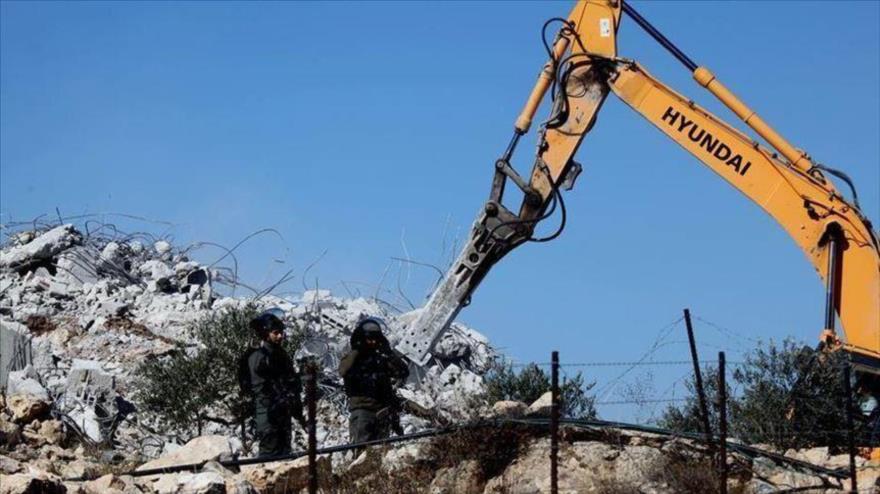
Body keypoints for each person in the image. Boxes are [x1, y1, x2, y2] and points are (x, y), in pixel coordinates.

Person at [244, 309, 307, 457]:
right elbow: (261, 387)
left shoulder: (282, 355)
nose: (280, 336)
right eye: (276, 333)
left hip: (283, 414)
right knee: (269, 457)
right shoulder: (258, 356)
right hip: (268, 414)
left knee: (284, 455)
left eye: (281, 332)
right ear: (266, 333)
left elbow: (291, 384)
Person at [339, 317, 410, 445]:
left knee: (381, 452)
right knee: (361, 454)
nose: (372, 343)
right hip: (363, 412)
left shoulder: (380, 360)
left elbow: (403, 372)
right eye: (368, 340)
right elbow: (343, 371)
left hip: (382, 412)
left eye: (375, 340)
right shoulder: (353, 360)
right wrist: (357, 349)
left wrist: (389, 353)